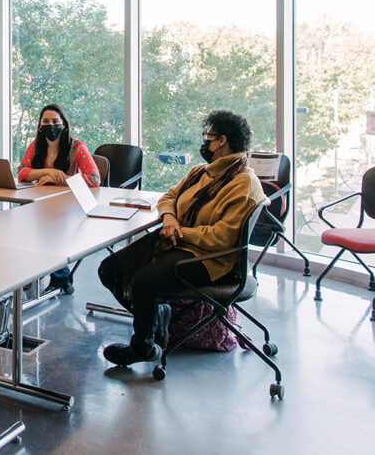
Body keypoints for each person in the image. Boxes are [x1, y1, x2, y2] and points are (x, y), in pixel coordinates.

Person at [97, 110, 265, 366]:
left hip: (211, 259)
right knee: (110, 269)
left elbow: (222, 238)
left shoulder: (243, 184)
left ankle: (143, 347)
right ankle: (157, 316)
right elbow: (168, 197)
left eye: (207, 136)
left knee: (142, 283)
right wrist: (170, 219)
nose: (204, 141)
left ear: (222, 140)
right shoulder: (201, 172)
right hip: (178, 242)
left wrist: (180, 232)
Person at [16, 104, 100, 291]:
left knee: (50, 227)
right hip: (41, 202)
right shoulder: (36, 145)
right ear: (39, 125)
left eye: (55, 121)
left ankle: (58, 277)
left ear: (63, 125)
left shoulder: (76, 147)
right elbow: (22, 172)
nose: (50, 125)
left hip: (69, 205)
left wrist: (63, 179)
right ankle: (36, 271)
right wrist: (48, 171)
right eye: (46, 121)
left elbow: (94, 179)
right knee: (26, 223)